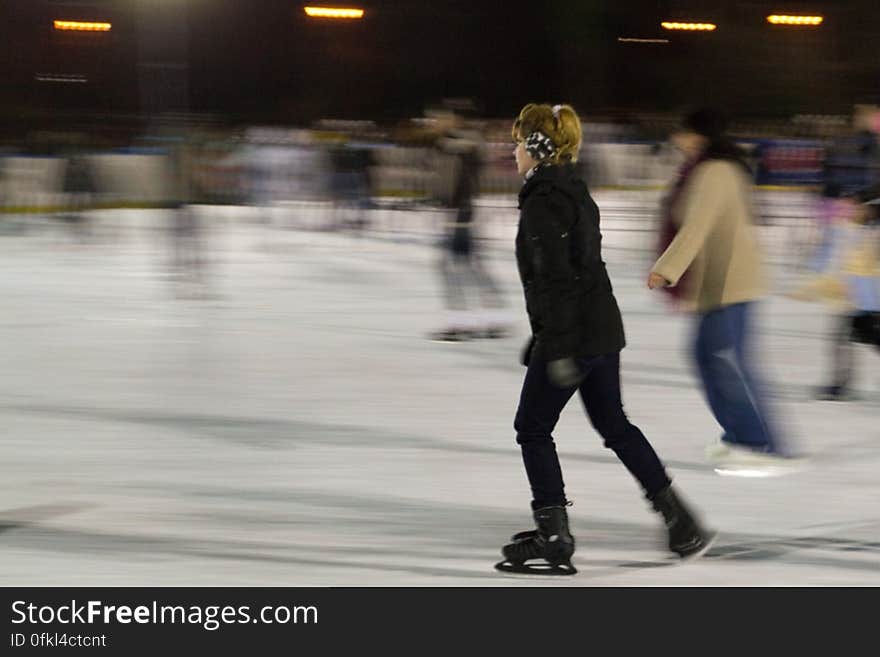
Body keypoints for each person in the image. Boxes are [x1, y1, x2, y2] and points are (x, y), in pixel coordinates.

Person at [496, 103, 714, 576]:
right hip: (600, 329)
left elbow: (555, 279)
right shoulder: (572, 187)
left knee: (532, 428)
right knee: (614, 424)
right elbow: (581, 271)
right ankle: (680, 520)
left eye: (518, 141)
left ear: (536, 147)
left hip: (575, 334)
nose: (512, 150)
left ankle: (554, 535)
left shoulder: (543, 199)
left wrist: (558, 346)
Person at [648, 108, 800, 475]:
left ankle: (763, 443)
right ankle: (742, 436)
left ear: (697, 136)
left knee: (728, 361)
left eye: (681, 133)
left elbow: (697, 224)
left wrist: (666, 269)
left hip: (730, 283)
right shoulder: (709, 168)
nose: (675, 140)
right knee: (710, 357)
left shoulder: (714, 171)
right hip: (720, 281)